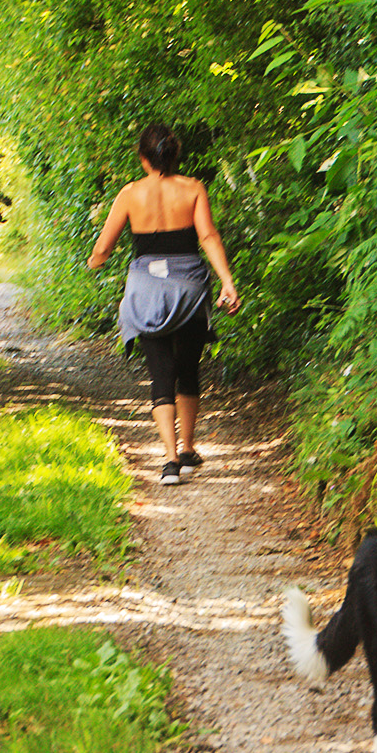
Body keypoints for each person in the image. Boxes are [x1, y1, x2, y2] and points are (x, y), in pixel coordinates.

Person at [88, 122, 240, 486]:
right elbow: (207, 235)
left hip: (146, 290)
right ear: (175, 155)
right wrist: (227, 281)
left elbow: (104, 247)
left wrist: (96, 260)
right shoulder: (193, 188)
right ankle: (189, 448)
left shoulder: (129, 194)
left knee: (161, 374)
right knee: (188, 369)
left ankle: (170, 460)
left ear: (143, 158)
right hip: (188, 288)